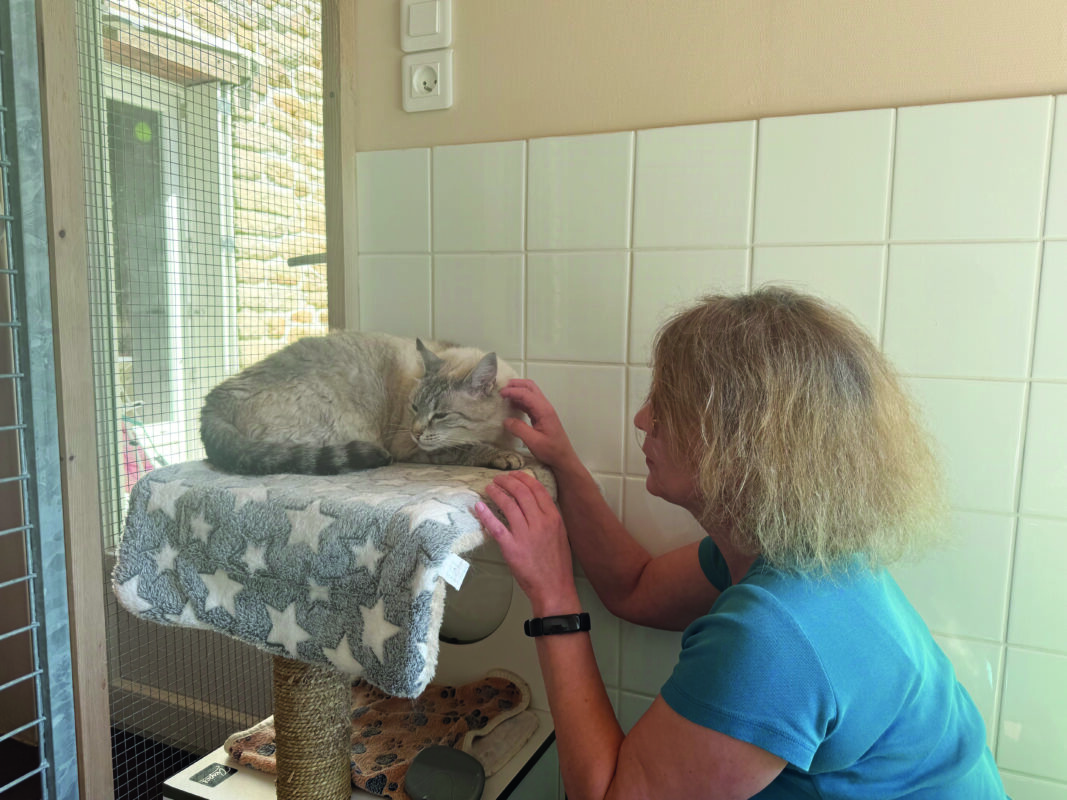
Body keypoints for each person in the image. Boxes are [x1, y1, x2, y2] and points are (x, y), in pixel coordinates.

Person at [473, 287, 1007, 800]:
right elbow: (634, 589)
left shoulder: (776, 634)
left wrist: (553, 596)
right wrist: (563, 465)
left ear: (740, 443)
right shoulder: (797, 550)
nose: (642, 419)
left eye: (667, 403)